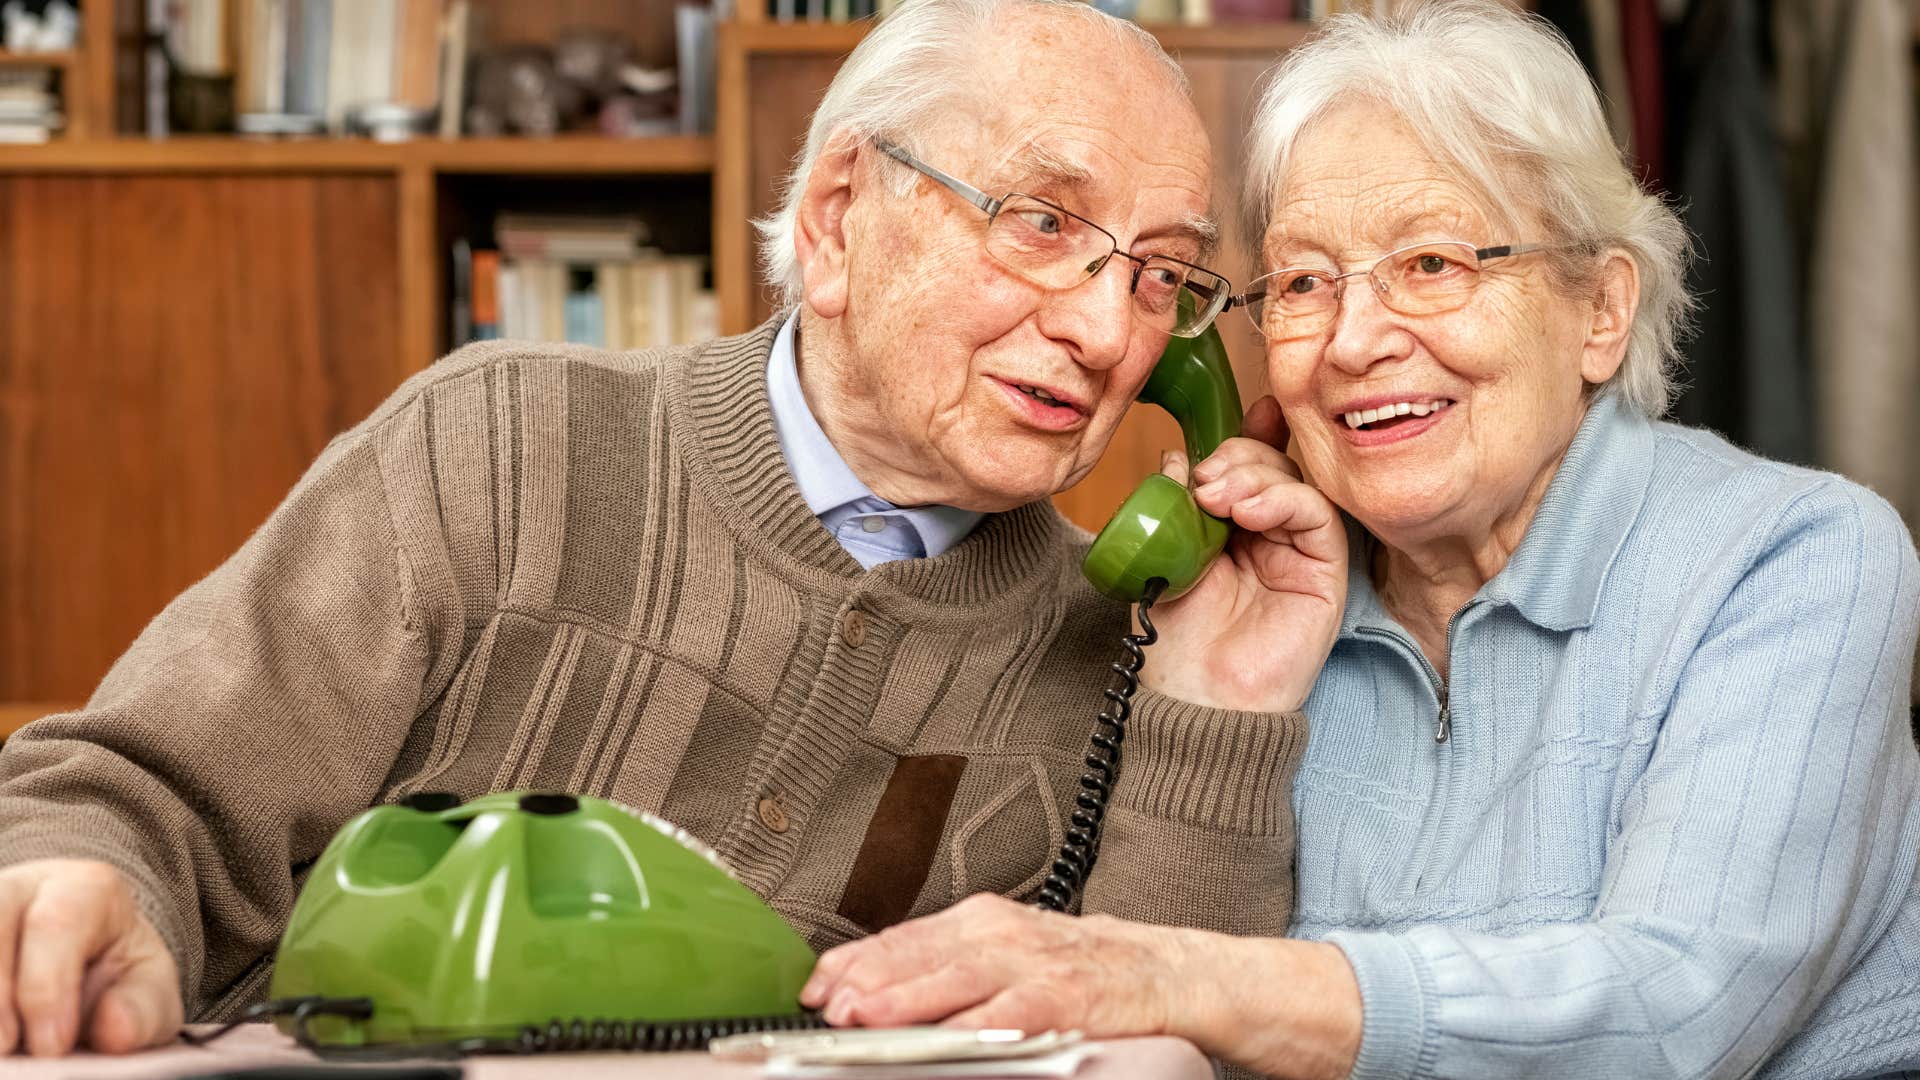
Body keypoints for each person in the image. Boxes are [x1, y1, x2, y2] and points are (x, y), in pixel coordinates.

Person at [0, 0, 1343, 1058]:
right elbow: (134, 794)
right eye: (1043, 223)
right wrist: (80, 880)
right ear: (835, 222)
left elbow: (1156, 1034)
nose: (1111, 331)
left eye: (1163, 274)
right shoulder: (498, 447)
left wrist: (1215, 708)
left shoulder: (1108, 651)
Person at [797, 3, 1920, 1078]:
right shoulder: (1267, 607)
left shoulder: (1797, 560)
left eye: (1432, 264)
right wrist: (1220, 704)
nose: (1354, 341)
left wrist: (1159, 973)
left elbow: (1679, 1014)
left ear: (1599, 309)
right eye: (1302, 283)